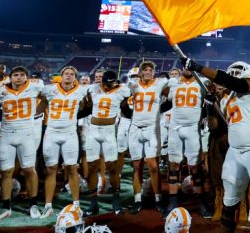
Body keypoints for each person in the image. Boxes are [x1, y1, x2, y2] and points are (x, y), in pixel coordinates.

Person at [182, 58, 250, 232]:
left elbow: (237, 83)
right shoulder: (226, 100)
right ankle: (227, 228)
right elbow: (214, 127)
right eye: (231, 71)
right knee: (229, 196)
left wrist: (198, 67)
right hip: (235, 151)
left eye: (237, 70)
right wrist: (209, 106)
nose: (233, 74)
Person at [0, 66, 45, 221]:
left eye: (22, 75)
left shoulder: (35, 87)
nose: (19, 78)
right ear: (10, 77)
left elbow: (46, 98)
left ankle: (33, 204)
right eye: (15, 75)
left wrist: (37, 113)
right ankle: (6, 207)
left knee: (29, 169)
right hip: (6, 135)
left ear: (26, 77)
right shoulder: (1, 90)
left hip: (26, 134)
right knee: (6, 172)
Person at [40, 65, 90, 218]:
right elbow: (39, 107)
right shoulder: (49, 90)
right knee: (51, 169)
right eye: (66, 73)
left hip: (70, 133)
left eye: (72, 74)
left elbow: (88, 106)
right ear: (61, 76)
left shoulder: (81, 90)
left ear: (75, 78)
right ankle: (48, 205)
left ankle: (76, 204)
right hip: (52, 132)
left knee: (72, 168)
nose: (68, 76)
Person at [126, 60, 170, 213]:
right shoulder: (133, 84)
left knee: (153, 165)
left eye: (150, 69)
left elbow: (170, 99)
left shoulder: (160, 84)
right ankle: (137, 199)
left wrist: (159, 111)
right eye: (145, 69)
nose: (148, 72)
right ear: (141, 72)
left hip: (152, 127)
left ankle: (158, 198)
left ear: (154, 72)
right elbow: (123, 102)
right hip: (135, 127)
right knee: (136, 166)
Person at [83, 70, 129, 215]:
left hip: (109, 131)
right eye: (106, 83)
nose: (108, 86)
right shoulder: (93, 89)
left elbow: (127, 105)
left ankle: (116, 202)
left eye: (111, 83)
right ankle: (93, 203)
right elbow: (86, 106)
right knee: (91, 167)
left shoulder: (123, 90)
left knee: (112, 167)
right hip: (93, 131)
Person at [166, 68, 208, 217]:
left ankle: (202, 202)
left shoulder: (202, 83)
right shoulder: (174, 83)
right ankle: (172, 202)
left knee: (195, 167)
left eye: (190, 66)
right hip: (175, 128)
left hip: (193, 129)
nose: (188, 69)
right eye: (185, 66)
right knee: (174, 165)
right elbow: (167, 98)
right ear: (182, 69)